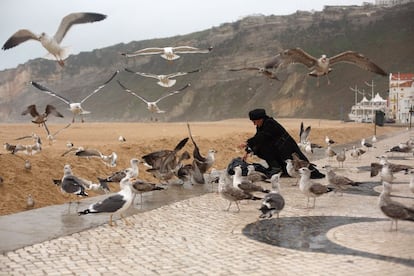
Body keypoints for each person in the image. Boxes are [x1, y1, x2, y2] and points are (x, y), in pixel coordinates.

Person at [240, 108, 325, 179]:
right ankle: (278, 168)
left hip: (286, 148)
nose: (254, 124)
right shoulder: (261, 125)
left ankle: (276, 168)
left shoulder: (270, 123)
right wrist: (248, 151)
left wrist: (247, 142)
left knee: (299, 164)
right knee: (258, 149)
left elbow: (262, 137)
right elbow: (258, 138)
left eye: (255, 121)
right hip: (277, 148)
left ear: (260, 119)